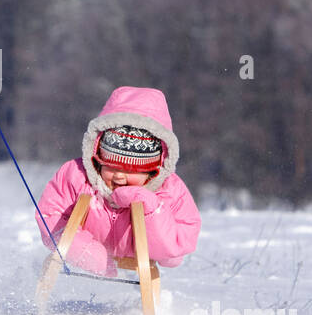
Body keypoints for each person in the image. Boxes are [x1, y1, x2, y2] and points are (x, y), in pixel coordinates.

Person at [36, 86, 201, 274]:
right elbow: (50, 216)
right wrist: (86, 252)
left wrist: (151, 210)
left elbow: (173, 253)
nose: (119, 176)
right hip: (87, 252)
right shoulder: (76, 176)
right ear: (98, 156)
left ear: (152, 171)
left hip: (141, 257)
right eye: (111, 166)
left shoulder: (170, 191)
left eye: (130, 170)